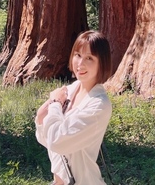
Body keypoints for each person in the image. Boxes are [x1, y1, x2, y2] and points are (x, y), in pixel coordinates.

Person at [36, 31, 113, 185]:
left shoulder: (98, 105)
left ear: (102, 63)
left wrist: (55, 104)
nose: (80, 64)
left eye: (89, 58)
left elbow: (57, 142)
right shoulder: (71, 90)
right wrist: (40, 116)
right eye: (78, 55)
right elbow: (46, 139)